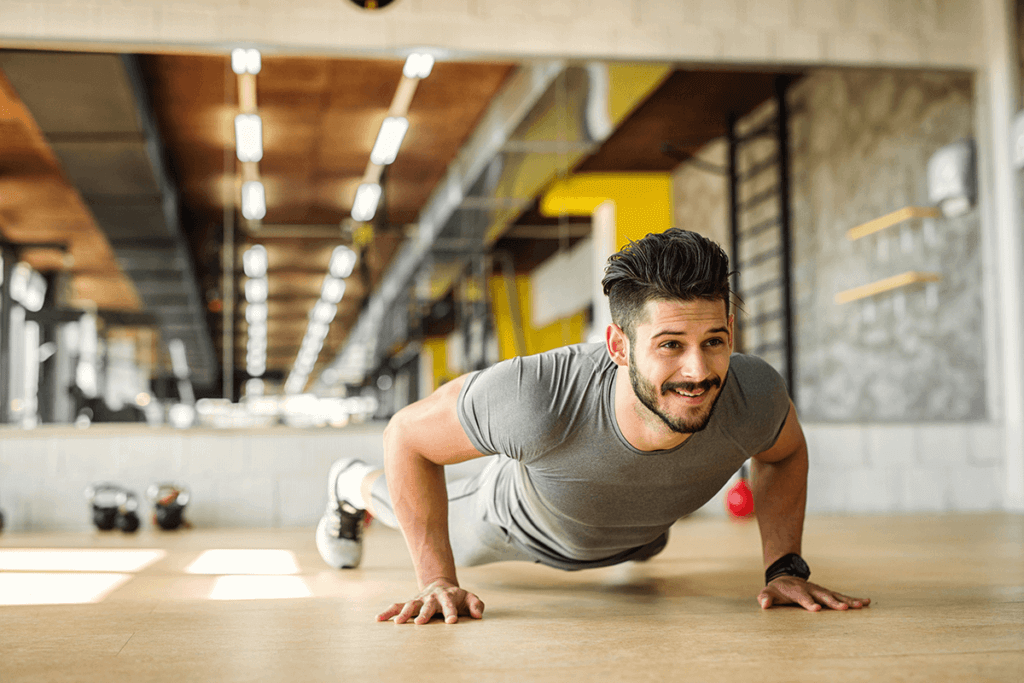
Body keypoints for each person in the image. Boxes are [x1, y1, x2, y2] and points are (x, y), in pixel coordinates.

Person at [316, 228, 870, 624]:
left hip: (632, 540)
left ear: (730, 330)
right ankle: (349, 482)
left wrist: (784, 566)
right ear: (618, 347)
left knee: (644, 547)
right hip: (512, 525)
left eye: (714, 343)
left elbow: (785, 453)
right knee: (401, 502)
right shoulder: (535, 396)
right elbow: (407, 436)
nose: (698, 371)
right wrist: (437, 580)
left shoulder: (756, 394)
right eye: (670, 346)